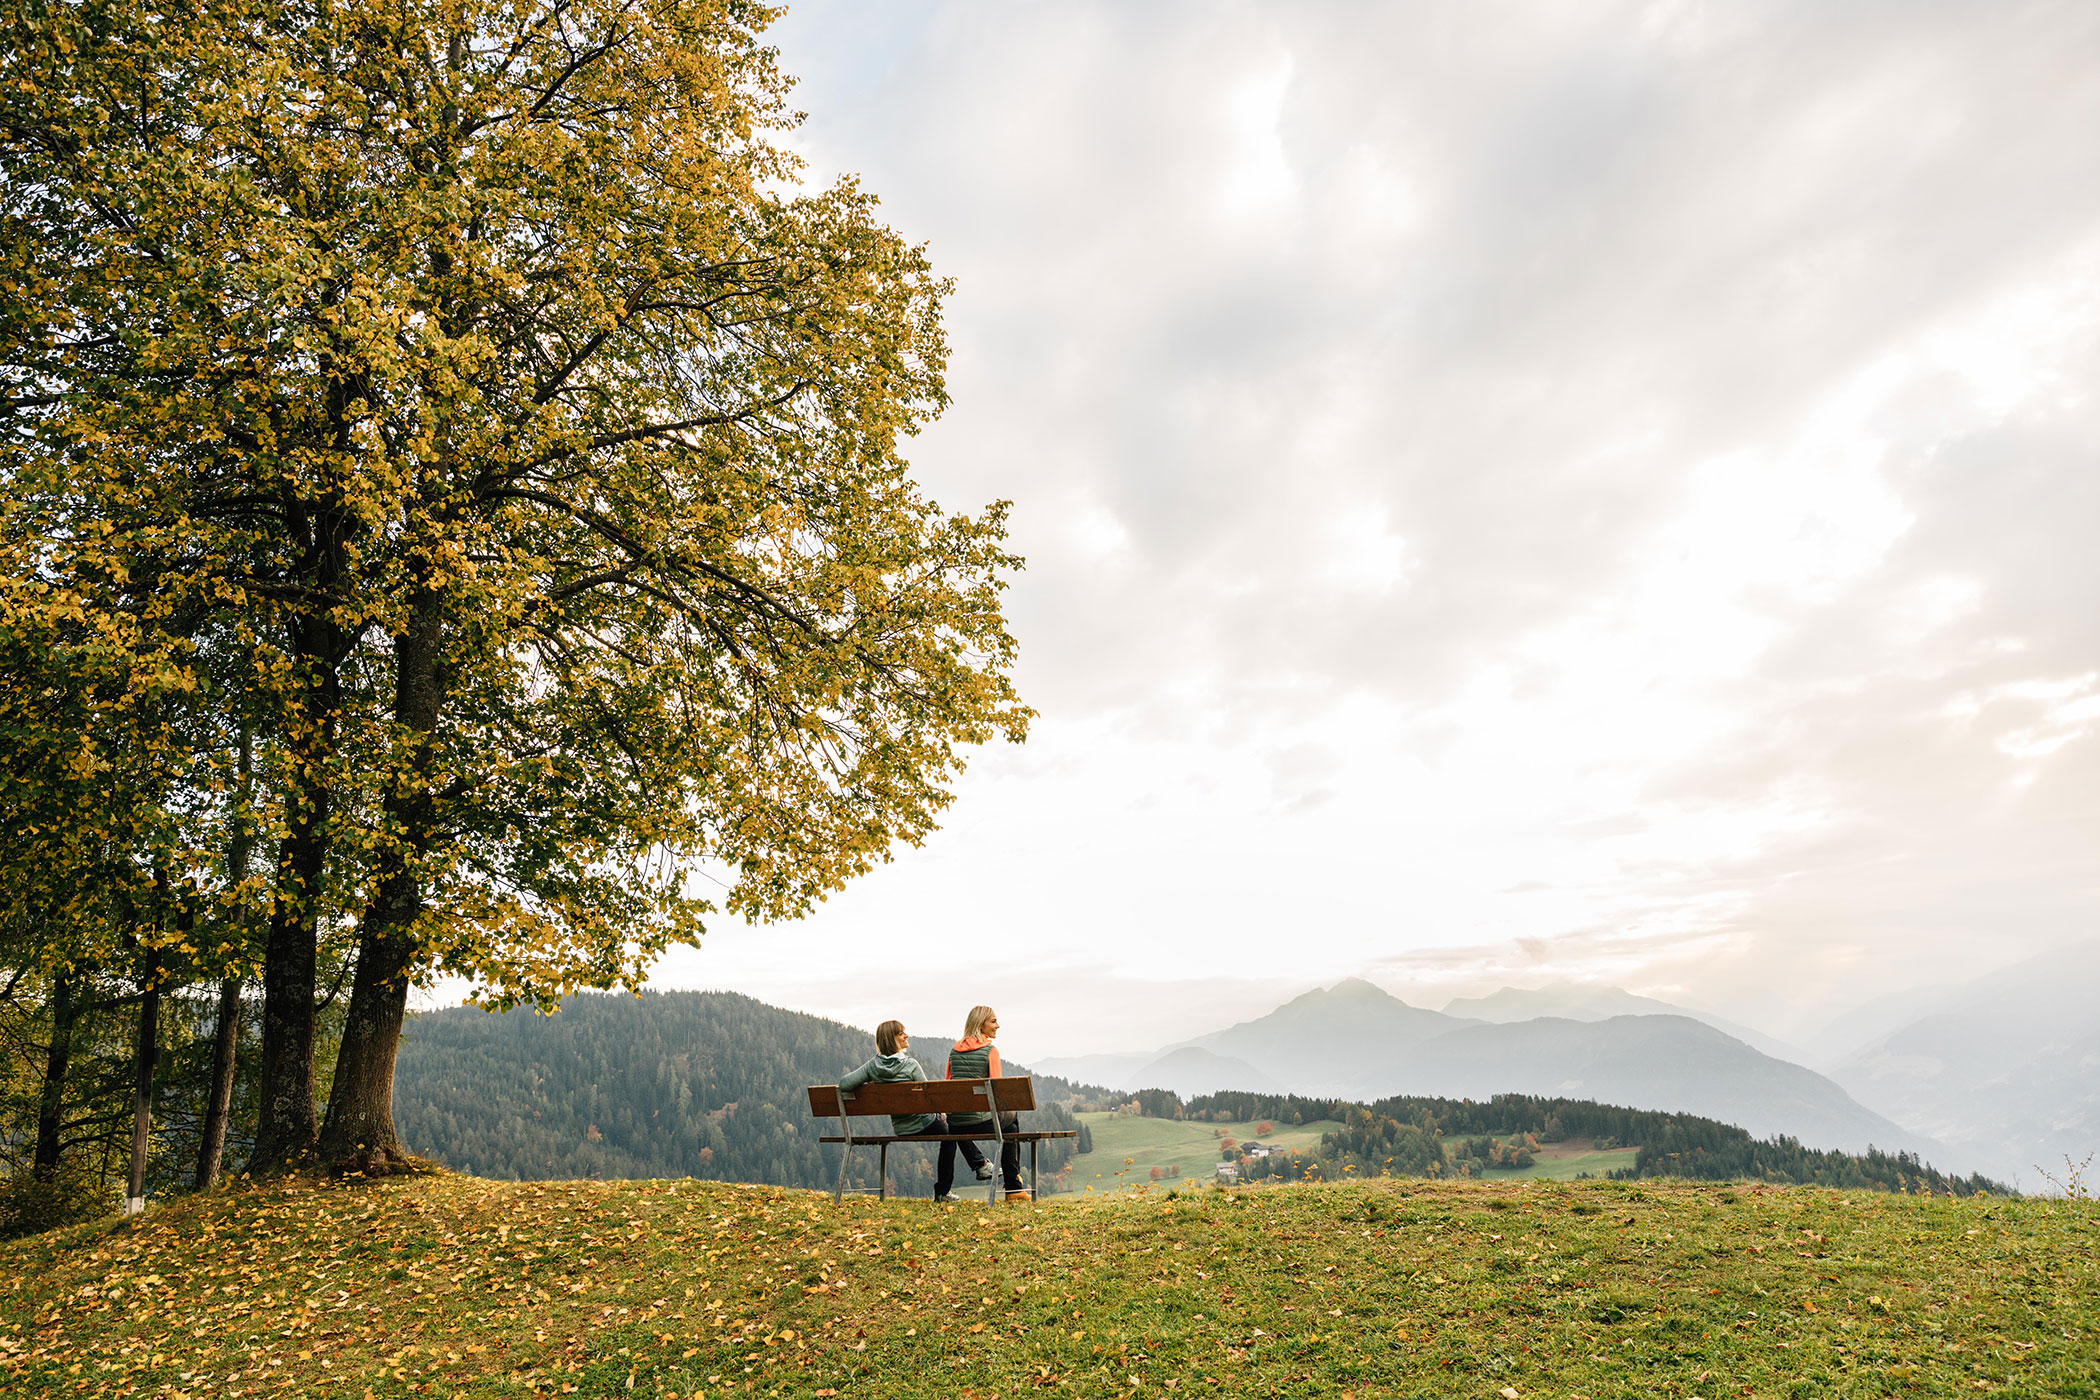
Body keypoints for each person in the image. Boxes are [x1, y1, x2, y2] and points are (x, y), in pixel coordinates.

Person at [837, 1019, 991, 1200]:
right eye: (901, 1033)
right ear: (892, 1039)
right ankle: (964, 1176)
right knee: (953, 1129)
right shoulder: (910, 1065)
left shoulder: (873, 1066)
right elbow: (929, 1100)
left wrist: (870, 1081)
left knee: (951, 1132)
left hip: (901, 1128)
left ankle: (979, 1166)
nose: (906, 1035)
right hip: (923, 1123)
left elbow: (844, 1084)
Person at [945, 1005, 1028, 1202]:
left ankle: (981, 1164)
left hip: (956, 1123)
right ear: (980, 1024)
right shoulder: (990, 1051)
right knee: (1012, 1120)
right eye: (993, 1021)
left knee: (960, 1123)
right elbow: (996, 1093)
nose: (997, 1026)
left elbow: (947, 1086)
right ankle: (1013, 1186)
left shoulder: (954, 1051)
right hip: (983, 1120)